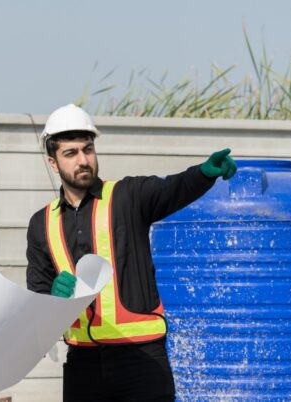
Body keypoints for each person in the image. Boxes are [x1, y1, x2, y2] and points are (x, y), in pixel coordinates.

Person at [26, 104, 237, 401]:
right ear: (53, 162)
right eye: (70, 153)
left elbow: (173, 188)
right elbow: (35, 298)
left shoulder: (129, 196)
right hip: (82, 363)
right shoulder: (41, 223)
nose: (83, 160)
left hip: (142, 360)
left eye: (88, 149)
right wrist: (51, 296)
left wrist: (203, 174)